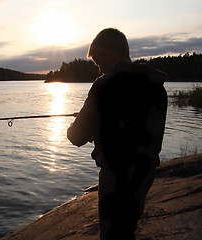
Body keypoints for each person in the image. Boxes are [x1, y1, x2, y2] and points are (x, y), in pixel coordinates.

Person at [67, 28, 167, 240]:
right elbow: (140, 129)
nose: (100, 69)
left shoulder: (104, 85)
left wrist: (78, 127)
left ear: (108, 54)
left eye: (98, 62)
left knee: (112, 234)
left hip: (116, 175)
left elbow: (77, 136)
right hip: (145, 172)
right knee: (127, 228)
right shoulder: (157, 86)